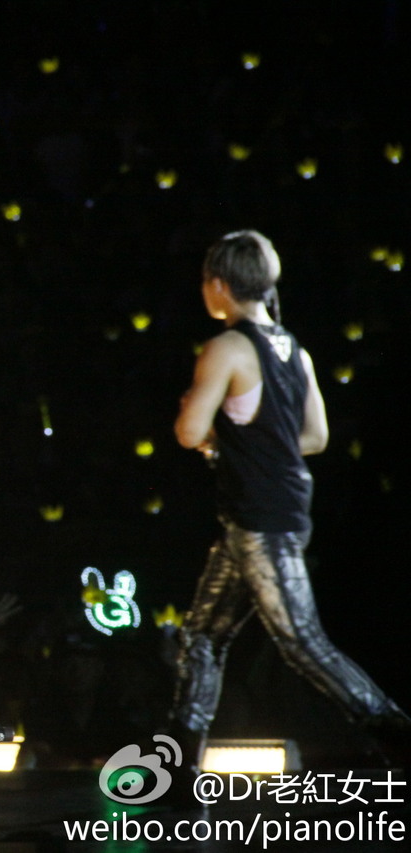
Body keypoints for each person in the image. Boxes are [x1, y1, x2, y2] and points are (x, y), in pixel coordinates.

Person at [168, 229, 409, 774]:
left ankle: (397, 733)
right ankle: (178, 761)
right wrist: (257, 447)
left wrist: (219, 438)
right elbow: (315, 436)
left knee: (303, 643)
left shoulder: (228, 348)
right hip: (265, 512)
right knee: (202, 636)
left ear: (219, 285)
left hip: (262, 518)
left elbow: (189, 431)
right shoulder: (294, 349)